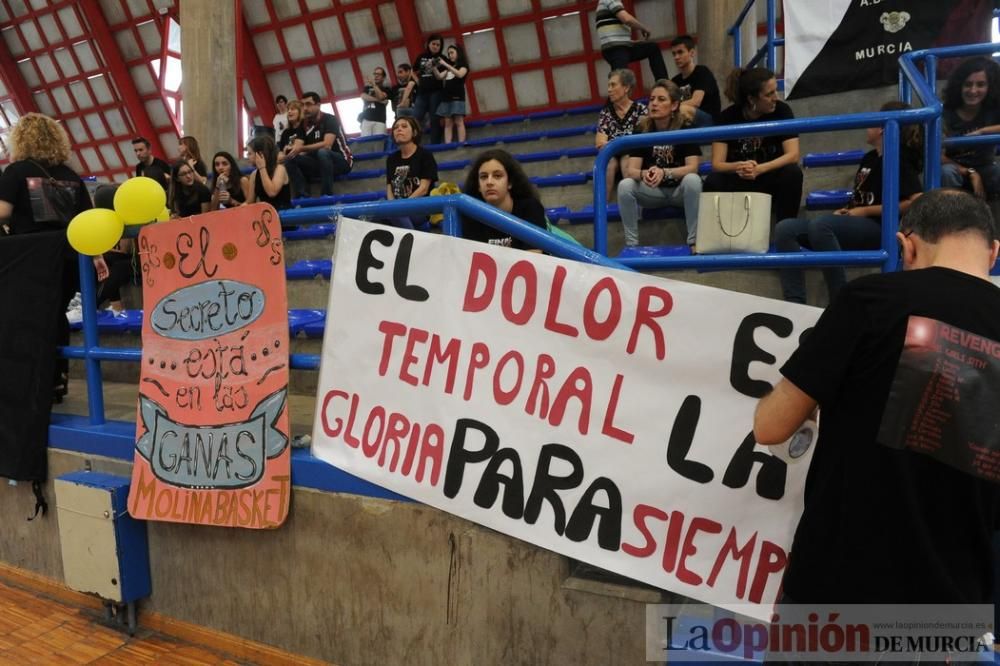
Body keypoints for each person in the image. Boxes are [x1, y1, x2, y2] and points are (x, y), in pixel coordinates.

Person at [754, 188, 1000, 606]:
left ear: (907, 246)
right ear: (993, 253)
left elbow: (771, 427)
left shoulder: (870, 301)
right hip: (952, 606)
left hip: (838, 590)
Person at [774, 101, 924, 305]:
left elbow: (916, 201)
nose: (867, 126)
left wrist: (864, 211)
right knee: (785, 228)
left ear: (882, 128)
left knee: (821, 225)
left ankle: (840, 300)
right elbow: (861, 196)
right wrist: (848, 210)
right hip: (857, 223)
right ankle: (794, 301)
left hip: (881, 228)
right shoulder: (869, 158)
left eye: (873, 122)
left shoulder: (899, 159)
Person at [0, 113, 93, 402]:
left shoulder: (16, 171)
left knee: (25, 320)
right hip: (67, 257)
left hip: (29, 258)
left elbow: (2, 212)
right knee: (57, 316)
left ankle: (32, 383)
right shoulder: (70, 175)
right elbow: (87, 218)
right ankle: (57, 380)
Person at [704, 67, 803, 222]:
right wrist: (740, 166)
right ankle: (722, 234)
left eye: (775, 91)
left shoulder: (782, 110)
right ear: (751, 99)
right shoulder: (727, 117)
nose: (776, 97)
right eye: (769, 94)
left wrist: (760, 169)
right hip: (740, 179)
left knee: (793, 173)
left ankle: (786, 230)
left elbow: (793, 155)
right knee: (713, 181)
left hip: (768, 177)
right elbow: (717, 164)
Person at [617, 80, 701, 250]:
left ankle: (695, 241)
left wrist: (665, 172)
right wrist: (645, 174)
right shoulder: (642, 129)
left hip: (679, 191)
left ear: (674, 105)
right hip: (653, 191)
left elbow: (693, 167)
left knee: (693, 180)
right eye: (652, 99)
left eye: (661, 99)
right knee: (625, 185)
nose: (654, 103)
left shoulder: (685, 127)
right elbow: (631, 170)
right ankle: (631, 245)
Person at [461, 148, 547, 251]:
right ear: (478, 186)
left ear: (510, 182)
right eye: (483, 177)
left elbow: (534, 257)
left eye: (497, 176)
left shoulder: (531, 208)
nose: (489, 182)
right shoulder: (470, 216)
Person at [940, 57, 1000, 199]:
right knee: (946, 172)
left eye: (980, 85)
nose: (973, 91)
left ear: (990, 87)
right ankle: (951, 217)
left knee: (996, 172)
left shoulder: (992, 110)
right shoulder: (944, 114)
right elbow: (937, 155)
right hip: (955, 169)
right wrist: (971, 173)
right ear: (959, 86)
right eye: (968, 84)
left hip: (986, 167)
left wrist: (982, 131)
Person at [284, 91, 353, 198]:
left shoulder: (330, 119)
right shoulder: (303, 124)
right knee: (290, 158)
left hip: (341, 161)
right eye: (303, 105)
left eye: (308, 104)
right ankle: (303, 196)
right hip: (320, 164)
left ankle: (326, 195)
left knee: (323, 152)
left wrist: (301, 149)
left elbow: (327, 145)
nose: (305, 108)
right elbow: (297, 148)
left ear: (318, 105)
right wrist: (291, 150)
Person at [595, 69, 648, 201]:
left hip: (632, 154)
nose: (609, 90)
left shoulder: (640, 110)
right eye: (608, 86)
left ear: (626, 88)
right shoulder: (605, 113)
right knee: (609, 163)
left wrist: (618, 146)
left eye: (613, 85)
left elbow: (643, 140)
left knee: (626, 161)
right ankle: (603, 209)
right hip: (612, 155)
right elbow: (600, 143)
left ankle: (633, 206)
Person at [383, 116, 438, 230]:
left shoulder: (425, 155)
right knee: (373, 212)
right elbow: (389, 188)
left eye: (404, 126)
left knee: (395, 213)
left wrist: (402, 206)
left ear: (414, 132)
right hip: (397, 207)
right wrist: (392, 205)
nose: (399, 129)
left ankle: (413, 242)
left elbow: (423, 189)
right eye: (396, 127)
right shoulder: (391, 159)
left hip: (420, 207)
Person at [595, 0, 668, 82]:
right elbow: (626, 19)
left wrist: (629, 42)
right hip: (616, 49)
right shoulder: (610, 0)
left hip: (620, 47)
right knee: (620, 81)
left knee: (652, 48)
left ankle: (663, 84)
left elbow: (609, 32)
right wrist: (644, 28)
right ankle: (663, 86)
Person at [90, 184, 135, 315]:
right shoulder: (99, 221)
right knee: (104, 263)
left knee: (111, 264)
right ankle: (117, 307)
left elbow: (125, 250)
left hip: (133, 260)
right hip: (117, 261)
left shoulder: (127, 218)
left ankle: (90, 304)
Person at [670, 35, 721, 125]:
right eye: (674, 54)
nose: (676, 57)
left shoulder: (702, 72)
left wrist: (670, 108)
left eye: (680, 52)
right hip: (687, 121)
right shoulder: (675, 81)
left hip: (709, 122)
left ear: (692, 53)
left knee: (683, 110)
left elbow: (696, 102)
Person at [412, 34, 446, 145]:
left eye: (438, 45)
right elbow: (413, 70)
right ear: (428, 44)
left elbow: (445, 74)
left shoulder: (442, 58)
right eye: (433, 44)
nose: (436, 46)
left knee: (434, 119)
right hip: (422, 93)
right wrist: (418, 81)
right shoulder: (421, 57)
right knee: (416, 117)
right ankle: (412, 143)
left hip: (436, 92)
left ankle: (435, 144)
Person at [434, 45, 470, 144]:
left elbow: (459, 74)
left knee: (458, 121)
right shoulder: (450, 67)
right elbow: (439, 77)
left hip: (457, 96)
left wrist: (445, 64)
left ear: (458, 52)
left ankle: (461, 143)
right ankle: (447, 144)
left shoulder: (463, 66)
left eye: (452, 52)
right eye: (449, 53)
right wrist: (433, 68)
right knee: (448, 123)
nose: (450, 55)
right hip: (446, 97)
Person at [246, 135, 291, 210]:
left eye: (250, 153)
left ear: (260, 155)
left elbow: (272, 192)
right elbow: (249, 202)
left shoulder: (280, 169)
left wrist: (262, 168)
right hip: (265, 216)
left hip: (283, 215)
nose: (248, 156)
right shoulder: (254, 174)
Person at [359, 67, 392, 137]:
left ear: (383, 77)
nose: (376, 76)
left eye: (379, 74)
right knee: (365, 144)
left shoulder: (386, 89)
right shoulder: (367, 88)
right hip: (366, 119)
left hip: (380, 120)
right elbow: (363, 96)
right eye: (375, 74)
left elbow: (381, 96)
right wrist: (379, 100)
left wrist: (374, 85)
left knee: (379, 143)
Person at [277, 99, 305, 164]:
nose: (289, 111)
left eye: (293, 109)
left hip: (302, 160)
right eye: (288, 109)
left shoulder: (305, 128)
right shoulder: (285, 132)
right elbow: (280, 153)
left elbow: (304, 151)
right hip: (288, 160)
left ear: (300, 112)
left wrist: (288, 152)